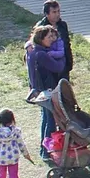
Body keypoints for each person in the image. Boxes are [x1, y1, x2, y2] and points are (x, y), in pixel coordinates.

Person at [25, 24, 65, 155]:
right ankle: (47, 151)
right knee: (50, 121)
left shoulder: (31, 52)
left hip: (38, 91)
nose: (51, 39)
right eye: (48, 37)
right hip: (46, 92)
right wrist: (62, 56)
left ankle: (43, 150)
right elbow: (58, 67)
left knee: (45, 119)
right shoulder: (42, 54)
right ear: (41, 39)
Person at [42, 0, 73, 76]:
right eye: (54, 12)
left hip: (63, 65)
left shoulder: (63, 25)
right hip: (49, 66)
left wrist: (69, 62)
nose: (57, 14)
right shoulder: (41, 28)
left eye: (58, 11)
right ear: (47, 13)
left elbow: (67, 44)